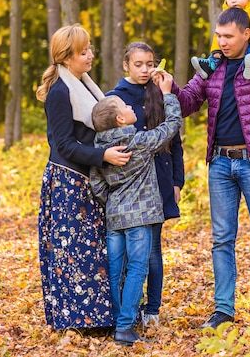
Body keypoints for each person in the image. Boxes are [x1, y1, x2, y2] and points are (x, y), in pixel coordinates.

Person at [167, 6, 250, 330]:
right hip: (220, 164)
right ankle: (223, 311)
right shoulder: (212, 67)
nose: (222, 41)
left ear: (246, 34)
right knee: (221, 240)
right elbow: (187, 103)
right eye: (219, 35)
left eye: (229, 36)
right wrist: (170, 86)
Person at [35, 25, 131, 331]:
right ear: (67, 57)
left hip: (88, 179)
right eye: (83, 51)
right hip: (68, 181)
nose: (90, 55)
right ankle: (74, 320)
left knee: (93, 249)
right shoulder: (60, 92)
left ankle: (98, 317)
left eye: (90, 49)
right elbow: (62, 144)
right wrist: (102, 156)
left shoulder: (86, 85)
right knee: (72, 252)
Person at [89, 74, 182, 346]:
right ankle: (126, 326)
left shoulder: (101, 149)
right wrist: (169, 95)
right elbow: (172, 125)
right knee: (138, 268)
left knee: (115, 270)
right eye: (126, 108)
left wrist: (114, 203)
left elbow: (97, 185)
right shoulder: (139, 141)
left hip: (115, 218)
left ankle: (117, 321)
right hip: (140, 218)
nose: (131, 108)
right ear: (121, 119)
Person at [106, 42, 185, 328]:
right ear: (126, 65)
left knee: (152, 250)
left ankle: (152, 309)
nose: (145, 69)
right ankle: (129, 309)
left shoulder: (160, 93)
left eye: (150, 63)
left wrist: (177, 181)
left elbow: (174, 141)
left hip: (159, 182)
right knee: (126, 253)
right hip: (128, 188)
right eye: (138, 64)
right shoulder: (115, 99)